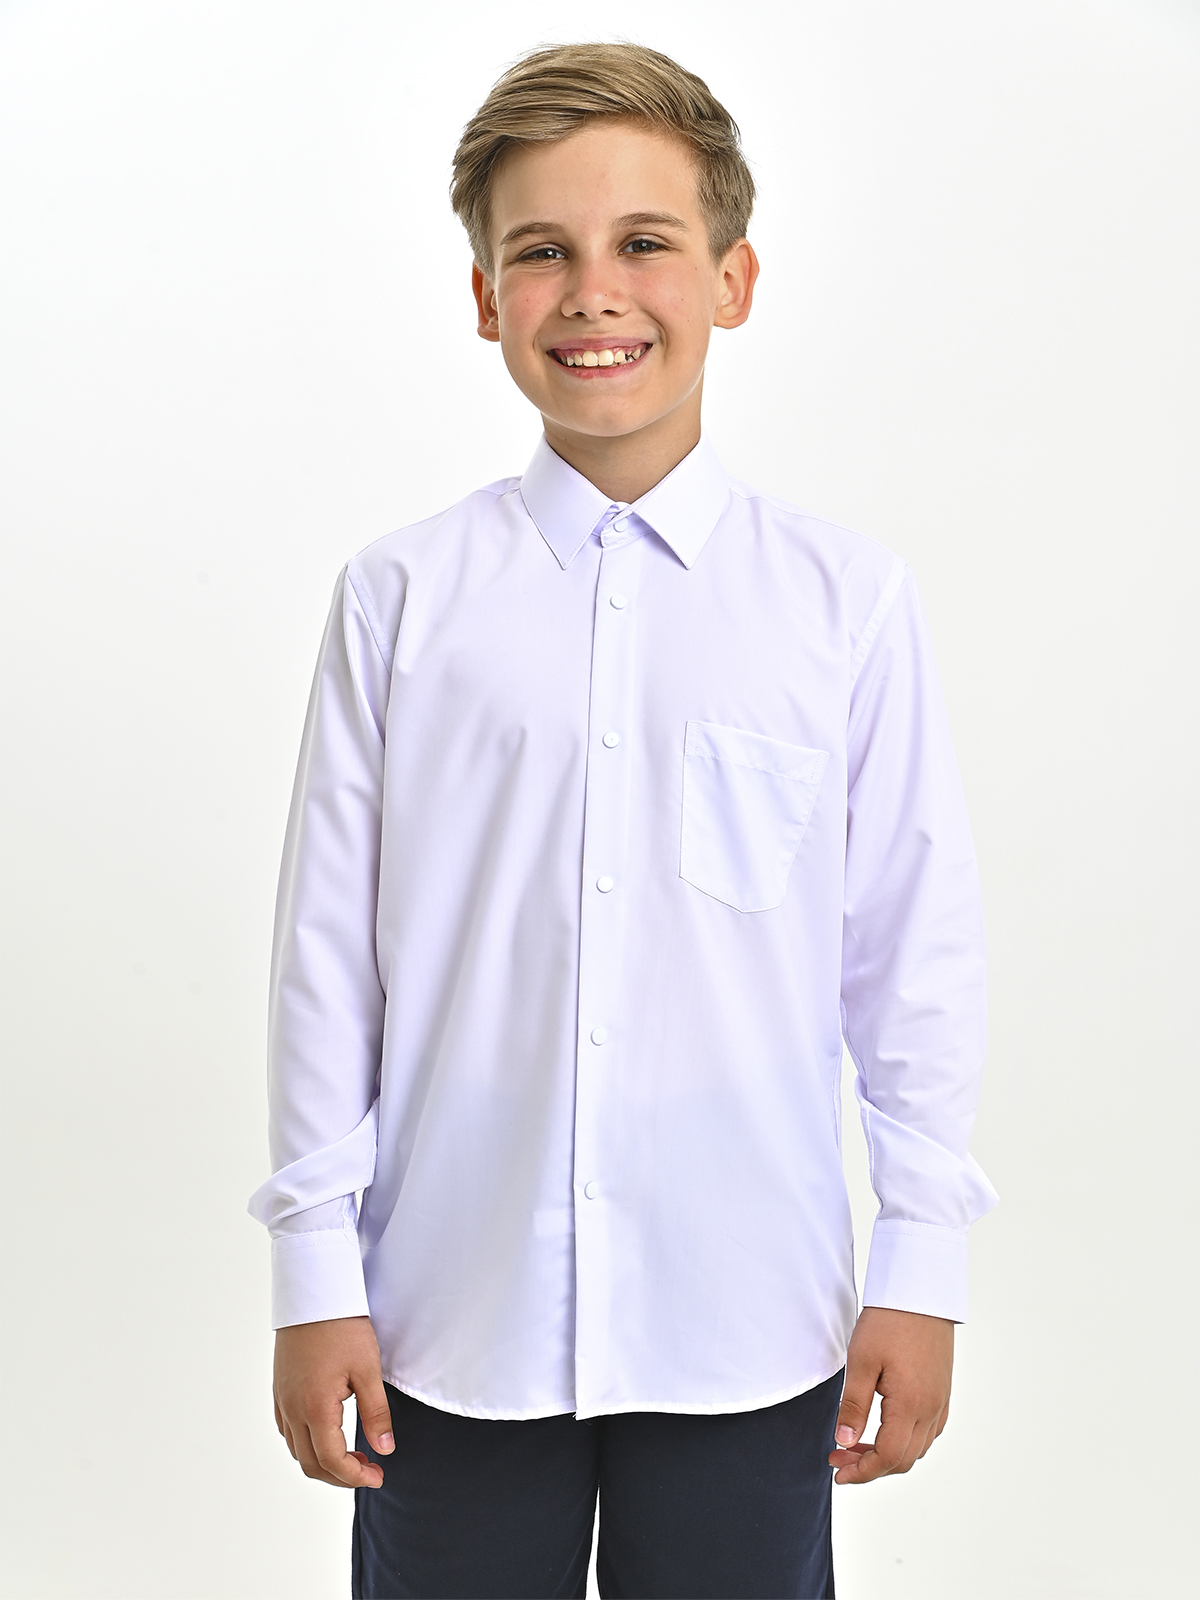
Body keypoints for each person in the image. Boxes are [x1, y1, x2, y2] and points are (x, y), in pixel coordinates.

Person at [248, 40, 998, 1600]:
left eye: (643, 242)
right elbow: (328, 962)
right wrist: (314, 1270)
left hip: (750, 1321)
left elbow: (909, 958)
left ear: (732, 278)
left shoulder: (843, 606)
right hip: (451, 1322)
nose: (595, 292)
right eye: (543, 252)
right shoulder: (401, 600)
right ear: (484, 298)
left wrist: (922, 1264)